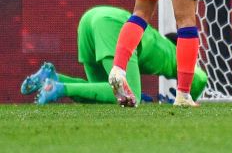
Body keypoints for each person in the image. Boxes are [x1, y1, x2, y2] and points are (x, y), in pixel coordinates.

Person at [22, 6, 209, 105]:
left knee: (101, 95)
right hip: (112, 24)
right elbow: (201, 78)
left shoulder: (157, 41)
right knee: (130, 95)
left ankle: (53, 78)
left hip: (90, 19)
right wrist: (183, 98)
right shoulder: (176, 54)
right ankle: (59, 88)